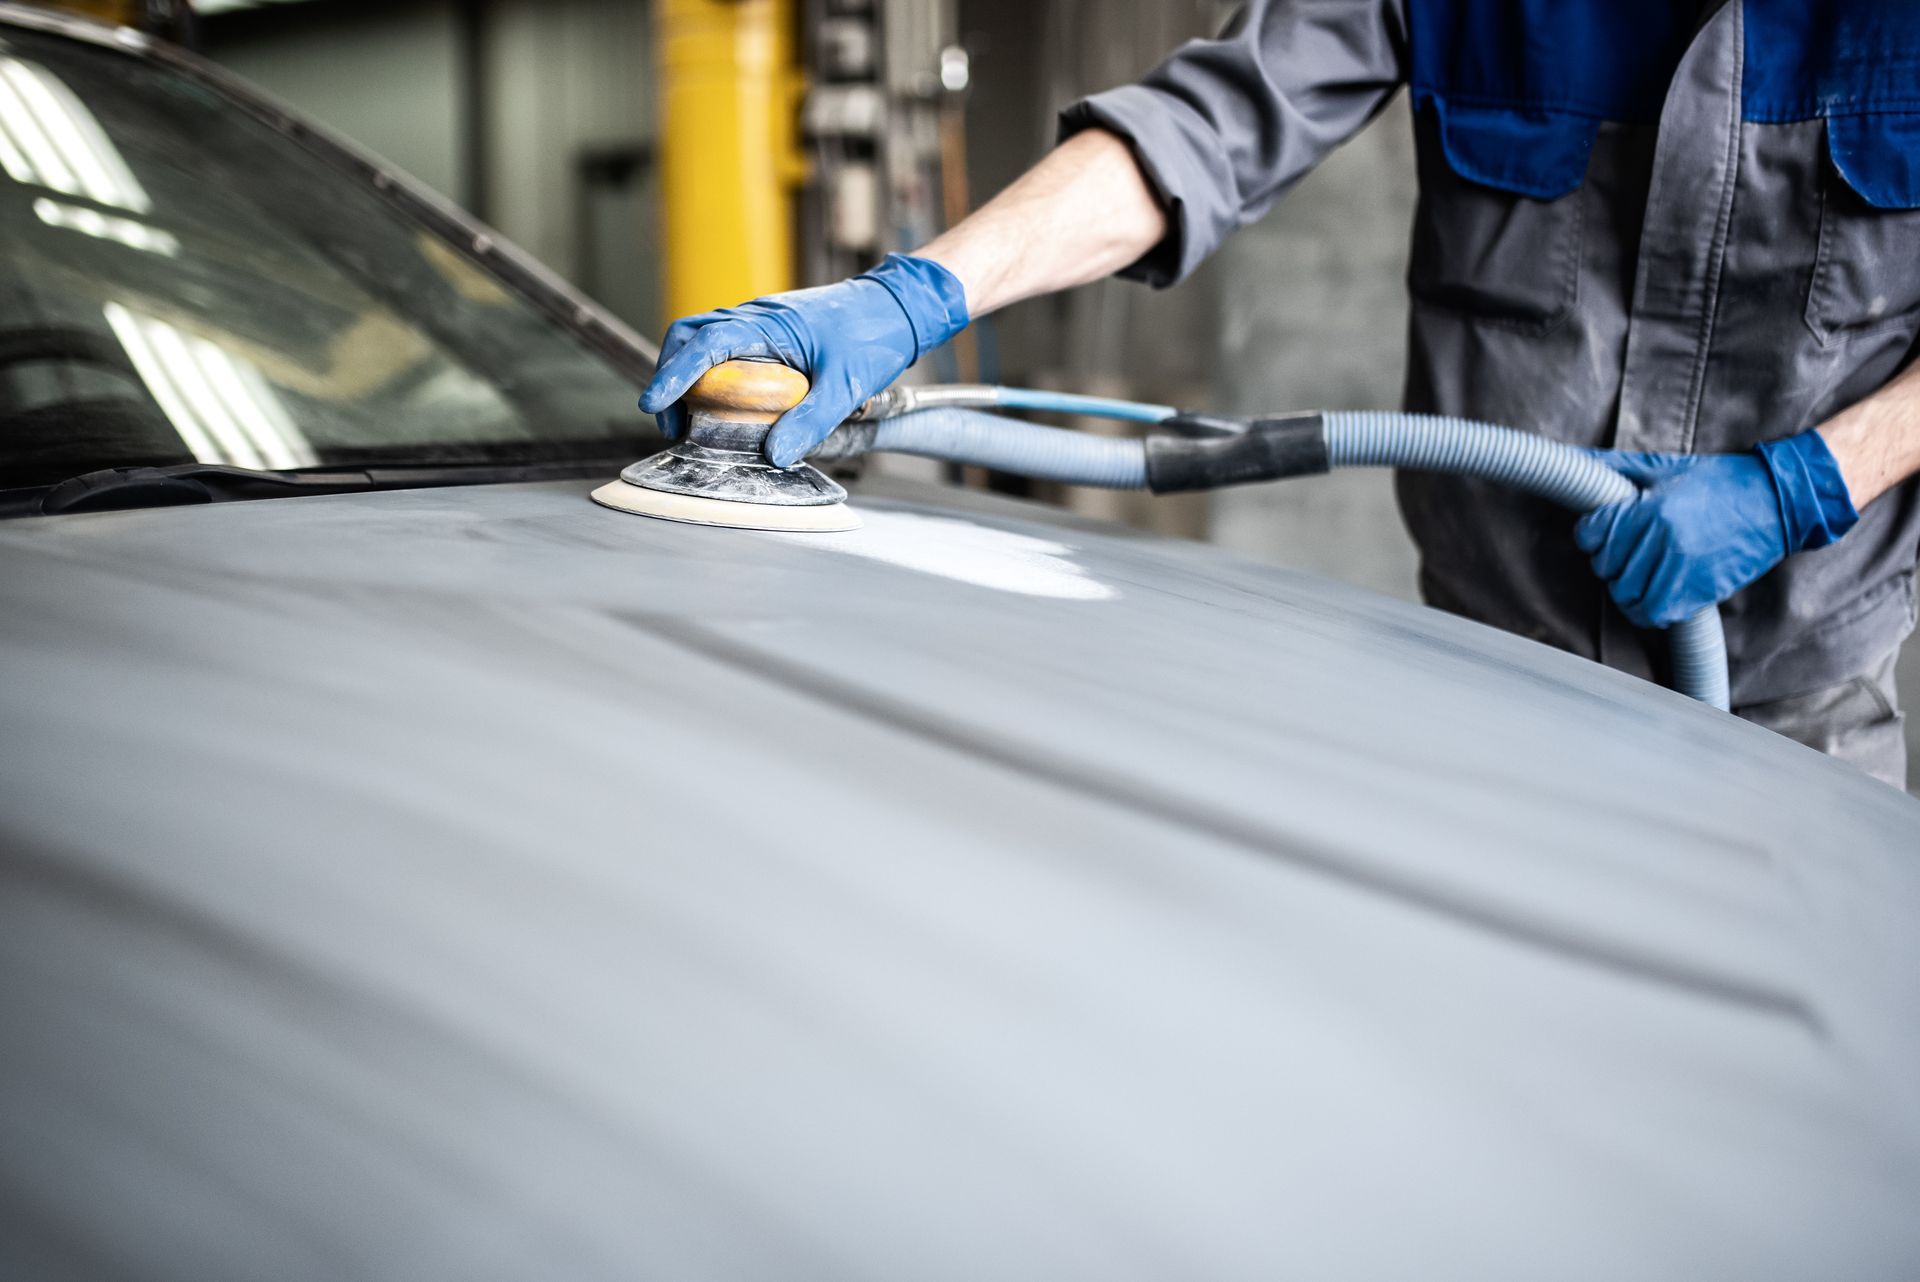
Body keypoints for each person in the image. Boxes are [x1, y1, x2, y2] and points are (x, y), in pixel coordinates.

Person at [641, 0, 1920, 788]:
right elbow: (1205, 128)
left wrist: (1815, 476)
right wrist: (919, 294)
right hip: (1490, 703)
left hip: (1799, 724)